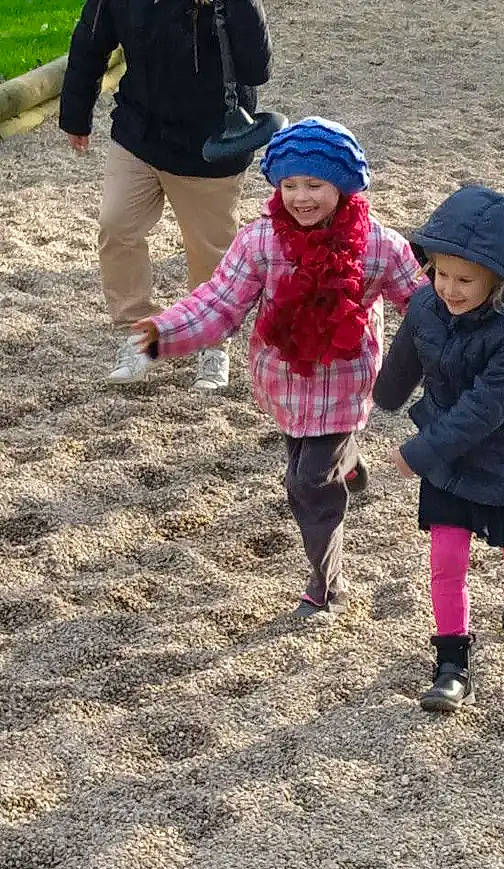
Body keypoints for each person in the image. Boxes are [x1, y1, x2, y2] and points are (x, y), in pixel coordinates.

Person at [131, 117, 427, 616]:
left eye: (315, 184)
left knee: (308, 482)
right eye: (289, 184)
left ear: (344, 184)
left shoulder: (380, 245)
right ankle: (348, 463)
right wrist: (166, 332)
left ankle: (326, 583)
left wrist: (471, 332)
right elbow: (218, 303)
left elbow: (422, 307)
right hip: (284, 383)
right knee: (311, 460)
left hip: (345, 383)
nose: (301, 197)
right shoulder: (260, 242)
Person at [373, 185, 504, 713]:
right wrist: (380, 394)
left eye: (465, 279)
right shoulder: (428, 302)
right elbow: (406, 356)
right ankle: (453, 662)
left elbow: (484, 409)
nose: (448, 288)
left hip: (503, 456)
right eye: (440, 273)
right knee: (446, 557)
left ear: (500, 279)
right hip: (447, 458)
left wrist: (419, 452)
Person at [59, 0, 272, 390]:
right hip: (140, 131)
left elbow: (258, 67)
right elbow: (90, 40)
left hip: (210, 142)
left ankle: (213, 344)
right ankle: (137, 333)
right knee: (116, 226)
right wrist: (76, 113)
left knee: (210, 250)